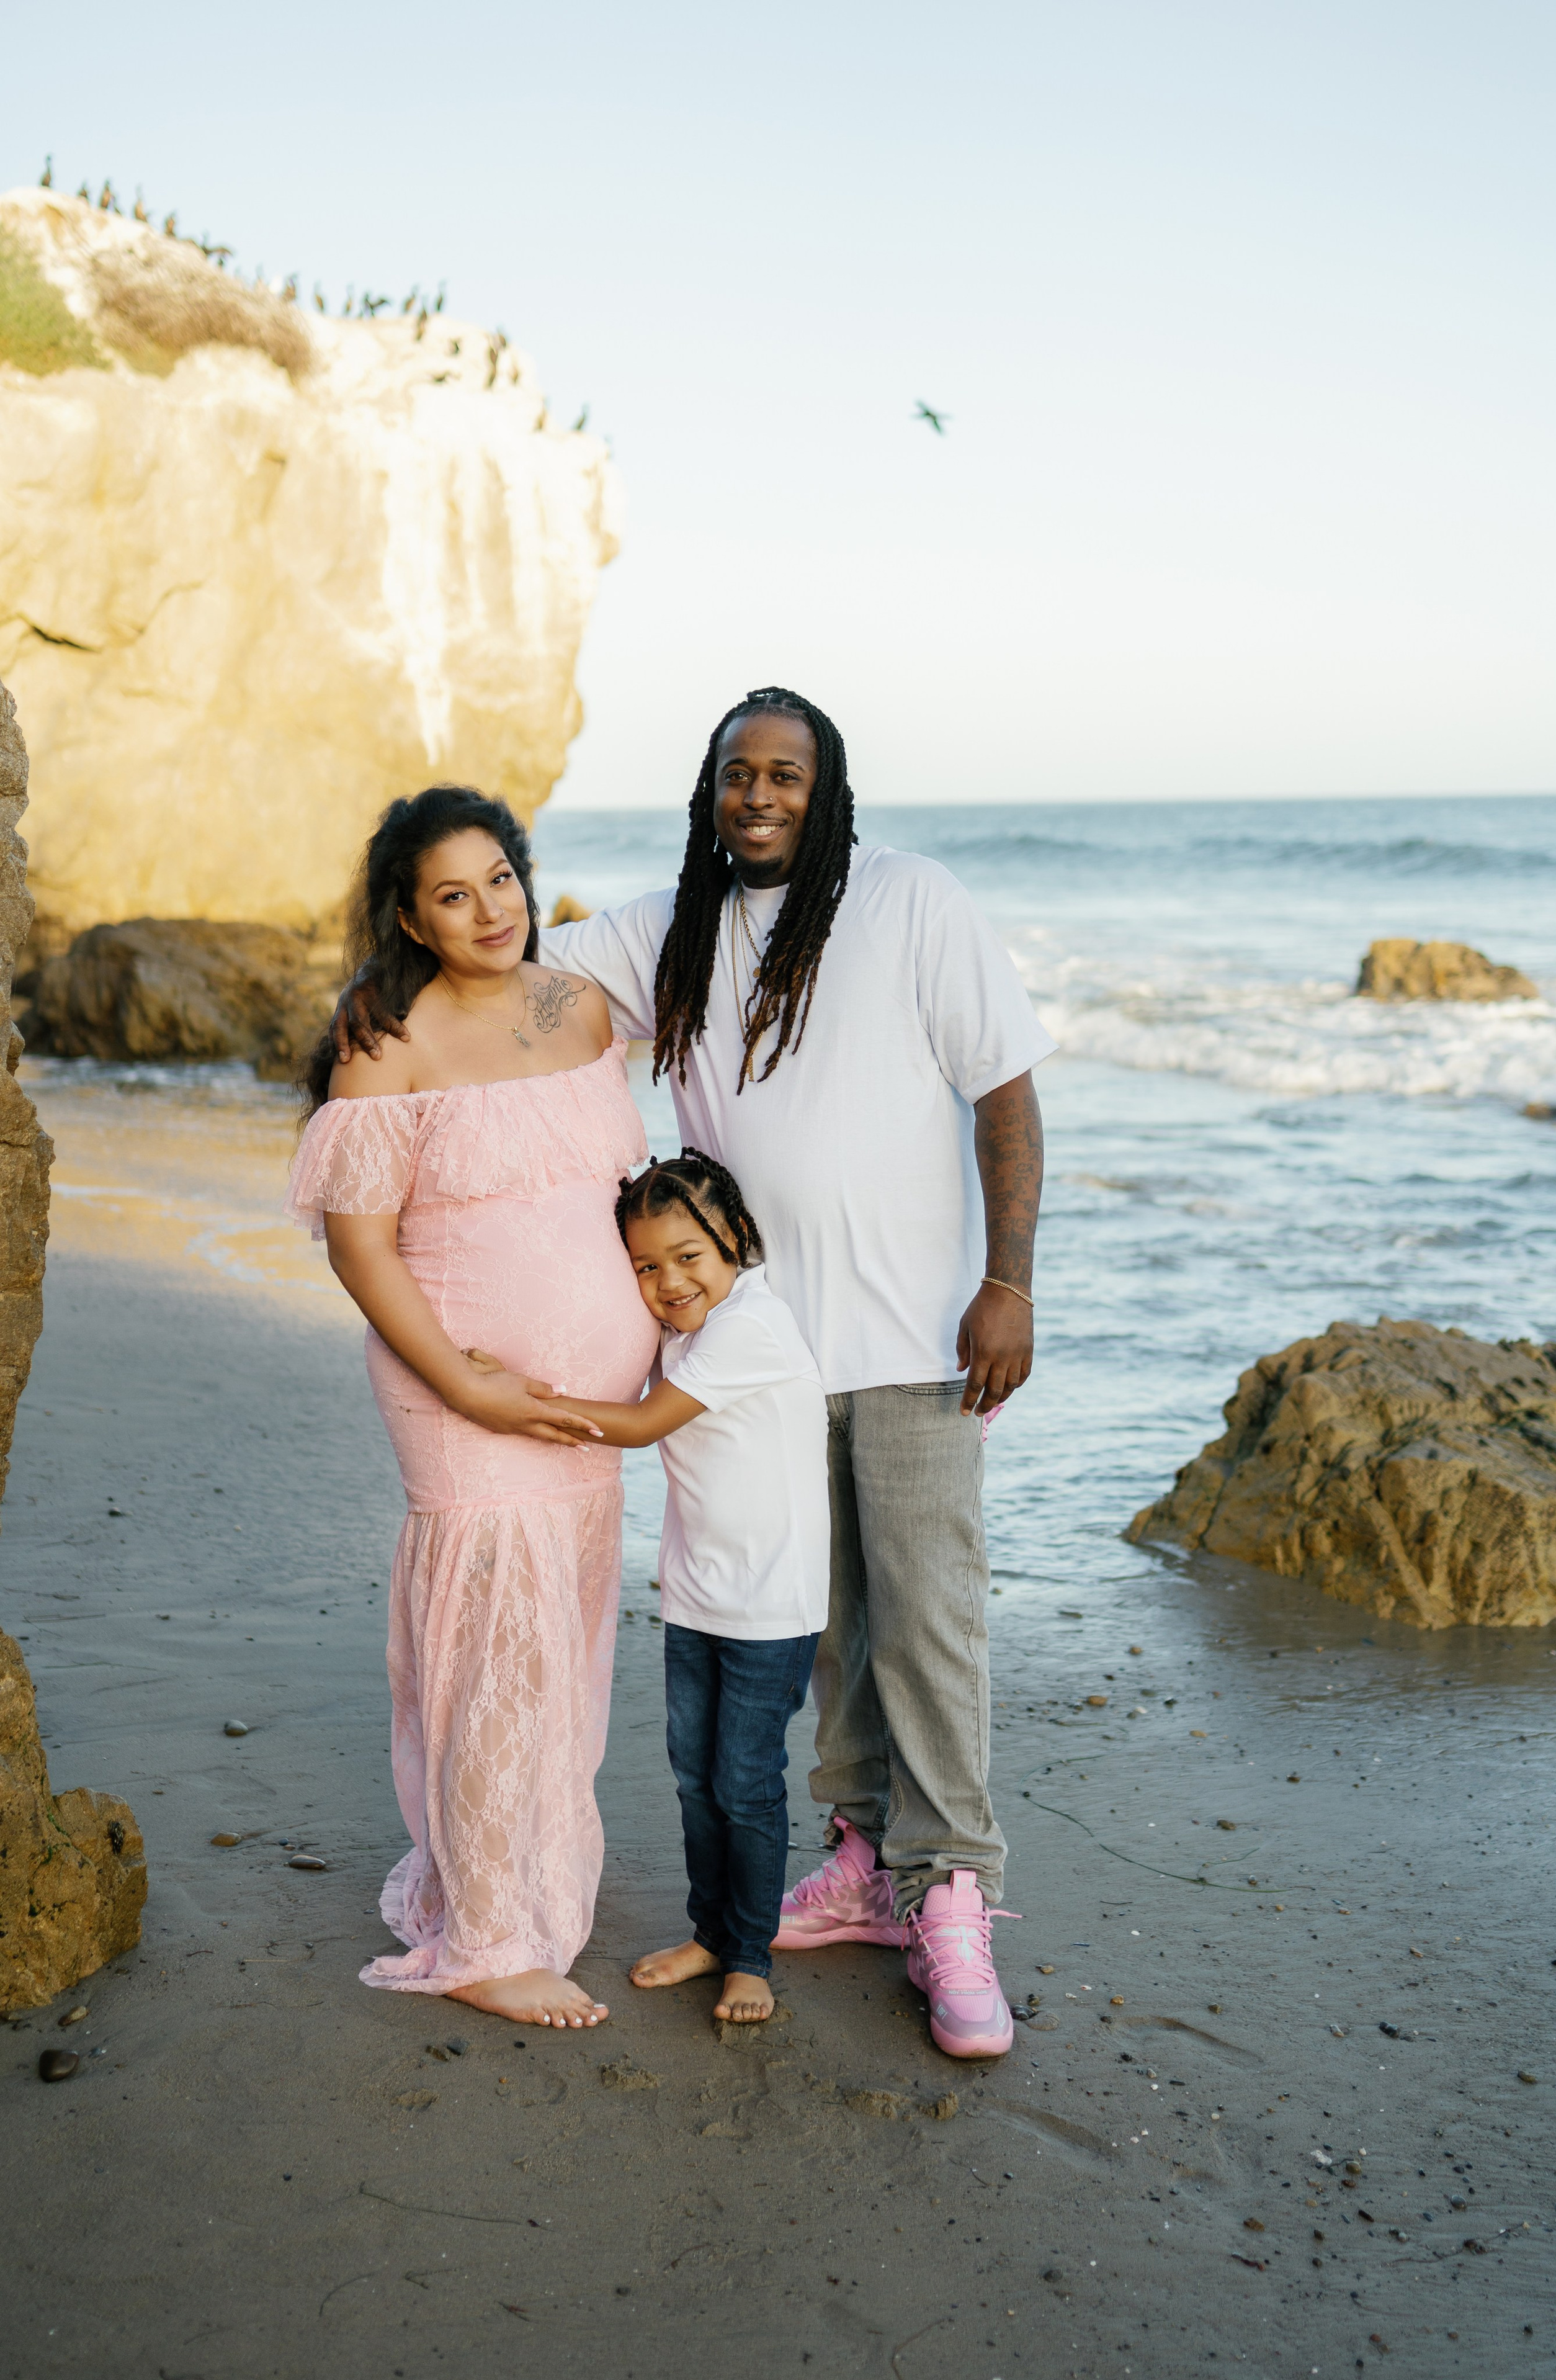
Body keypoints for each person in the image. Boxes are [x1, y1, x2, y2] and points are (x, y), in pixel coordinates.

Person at [335, 688, 1051, 2059]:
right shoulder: (665, 930)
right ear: (708, 792)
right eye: (737, 775)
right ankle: (854, 1865)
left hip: (909, 1340)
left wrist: (1006, 1283)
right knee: (817, 1616)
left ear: (826, 788)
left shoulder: (912, 901)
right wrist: (383, 996)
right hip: (741, 1352)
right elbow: (508, 977)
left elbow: (1005, 1088)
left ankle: (951, 1894)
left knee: (925, 1618)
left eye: (786, 774)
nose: (759, 796)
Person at [292, 784, 659, 2029]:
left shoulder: (583, 1010)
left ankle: (515, 1883)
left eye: (500, 878)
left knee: (560, 1646)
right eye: (453, 894)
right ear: (409, 915)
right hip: (456, 1390)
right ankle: (490, 1942)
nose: (489, 909)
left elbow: (612, 1193)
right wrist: (465, 1379)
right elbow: (362, 1249)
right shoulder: (385, 1037)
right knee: (492, 1645)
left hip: (587, 1414)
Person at [476, 1148, 829, 2026]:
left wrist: (516, 1396)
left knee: (745, 1781)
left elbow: (632, 1425)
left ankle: (750, 1957)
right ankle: (712, 1935)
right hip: (696, 1593)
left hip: (770, 1605)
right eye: (645, 1265)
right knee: (693, 1778)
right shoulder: (686, 1330)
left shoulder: (750, 1325)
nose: (668, 1282)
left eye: (688, 1257)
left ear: (737, 1241)